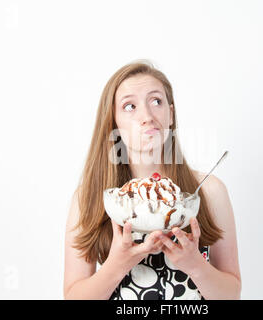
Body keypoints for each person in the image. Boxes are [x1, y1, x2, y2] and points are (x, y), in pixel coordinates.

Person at [63, 60, 241, 299]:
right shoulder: (89, 198)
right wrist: (118, 265)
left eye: (156, 101)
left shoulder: (208, 191)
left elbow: (232, 295)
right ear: (112, 120)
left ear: (171, 113)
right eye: (129, 106)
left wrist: (195, 266)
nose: (146, 116)